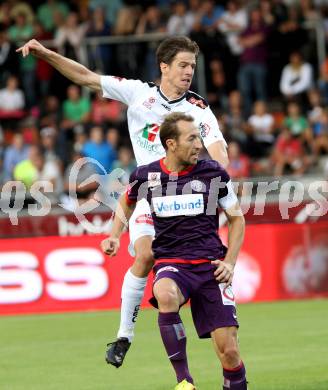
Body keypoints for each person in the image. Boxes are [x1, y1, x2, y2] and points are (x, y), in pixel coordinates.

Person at [17, 35, 229, 367]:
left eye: (192, 66)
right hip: (149, 192)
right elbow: (86, 76)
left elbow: (219, 151)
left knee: (187, 279)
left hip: (186, 198)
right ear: (164, 67)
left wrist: (215, 173)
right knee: (144, 255)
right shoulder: (138, 93)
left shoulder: (197, 108)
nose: (189, 72)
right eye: (183, 65)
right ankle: (124, 336)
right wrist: (44, 53)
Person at [102, 113, 246, 390]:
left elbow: (237, 218)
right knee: (164, 292)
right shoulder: (147, 175)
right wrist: (114, 235)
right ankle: (184, 381)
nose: (198, 144)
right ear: (171, 143)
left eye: (199, 137)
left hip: (211, 266)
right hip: (173, 263)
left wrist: (230, 262)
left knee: (229, 352)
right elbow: (127, 201)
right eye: (191, 138)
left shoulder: (213, 173)